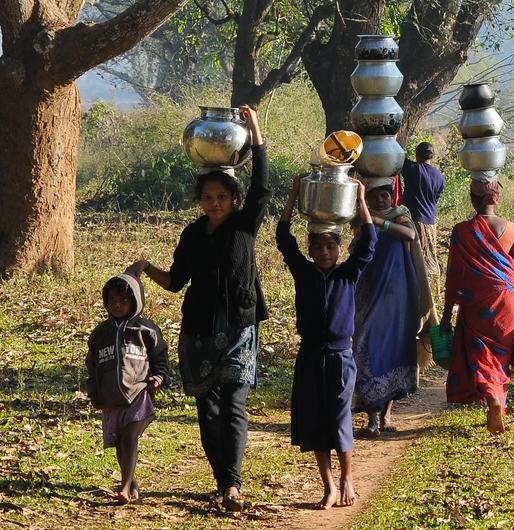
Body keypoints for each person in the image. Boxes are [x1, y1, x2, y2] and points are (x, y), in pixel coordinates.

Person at [129, 105, 268, 512]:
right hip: (198, 332)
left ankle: (234, 485)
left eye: (222, 198)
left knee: (234, 407)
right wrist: (145, 268)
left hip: (239, 329)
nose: (214, 204)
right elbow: (176, 282)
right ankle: (221, 482)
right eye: (208, 198)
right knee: (208, 413)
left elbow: (262, 184)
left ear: (234, 200)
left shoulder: (244, 225)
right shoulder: (192, 234)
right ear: (200, 200)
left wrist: (255, 129)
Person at [276, 176, 375, 510]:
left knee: (339, 418)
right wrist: (293, 193)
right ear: (310, 250)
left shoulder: (348, 274)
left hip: (340, 356)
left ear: (340, 250)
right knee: (316, 421)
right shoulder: (303, 273)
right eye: (317, 247)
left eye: (330, 247)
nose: (323, 252)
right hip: (310, 356)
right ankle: (329, 486)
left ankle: (347, 477)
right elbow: (283, 238)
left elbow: (370, 240)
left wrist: (360, 199)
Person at [441, 180, 514, 435]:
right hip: (506, 299)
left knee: (479, 353)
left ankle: (492, 398)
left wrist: (445, 315)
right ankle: (496, 397)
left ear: (473, 200)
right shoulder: (511, 228)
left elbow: (454, 274)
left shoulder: (462, 231)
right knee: (500, 353)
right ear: (496, 199)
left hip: (477, 300)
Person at [85, 272, 169, 505]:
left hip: (139, 395)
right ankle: (130, 482)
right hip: (110, 398)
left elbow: (161, 358)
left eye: (123, 301)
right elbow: (91, 365)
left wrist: (159, 378)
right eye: (112, 300)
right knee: (120, 441)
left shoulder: (146, 330)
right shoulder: (100, 333)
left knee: (130, 437)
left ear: (135, 302)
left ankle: (123, 487)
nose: (117, 305)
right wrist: (93, 390)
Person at [351, 176, 423, 437]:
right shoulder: (360, 220)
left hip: (397, 293)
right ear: (367, 199)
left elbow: (410, 234)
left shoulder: (400, 215)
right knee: (366, 347)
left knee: (395, 347)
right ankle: (370, 416)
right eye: (375, 196)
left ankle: (387, 414)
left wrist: (382, 221)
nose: (381, 200)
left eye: (384, 195)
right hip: (369, 293)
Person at [401, 142, 445, 280]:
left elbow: (397, 159)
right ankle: (432, 283)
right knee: (428, 254)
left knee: (414, 256)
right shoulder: (439, 176)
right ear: (432, 156)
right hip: (430, 222)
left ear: (416, 154)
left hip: (414, 220)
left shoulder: (413, 169)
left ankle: (417, 285)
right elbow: (436, 198)